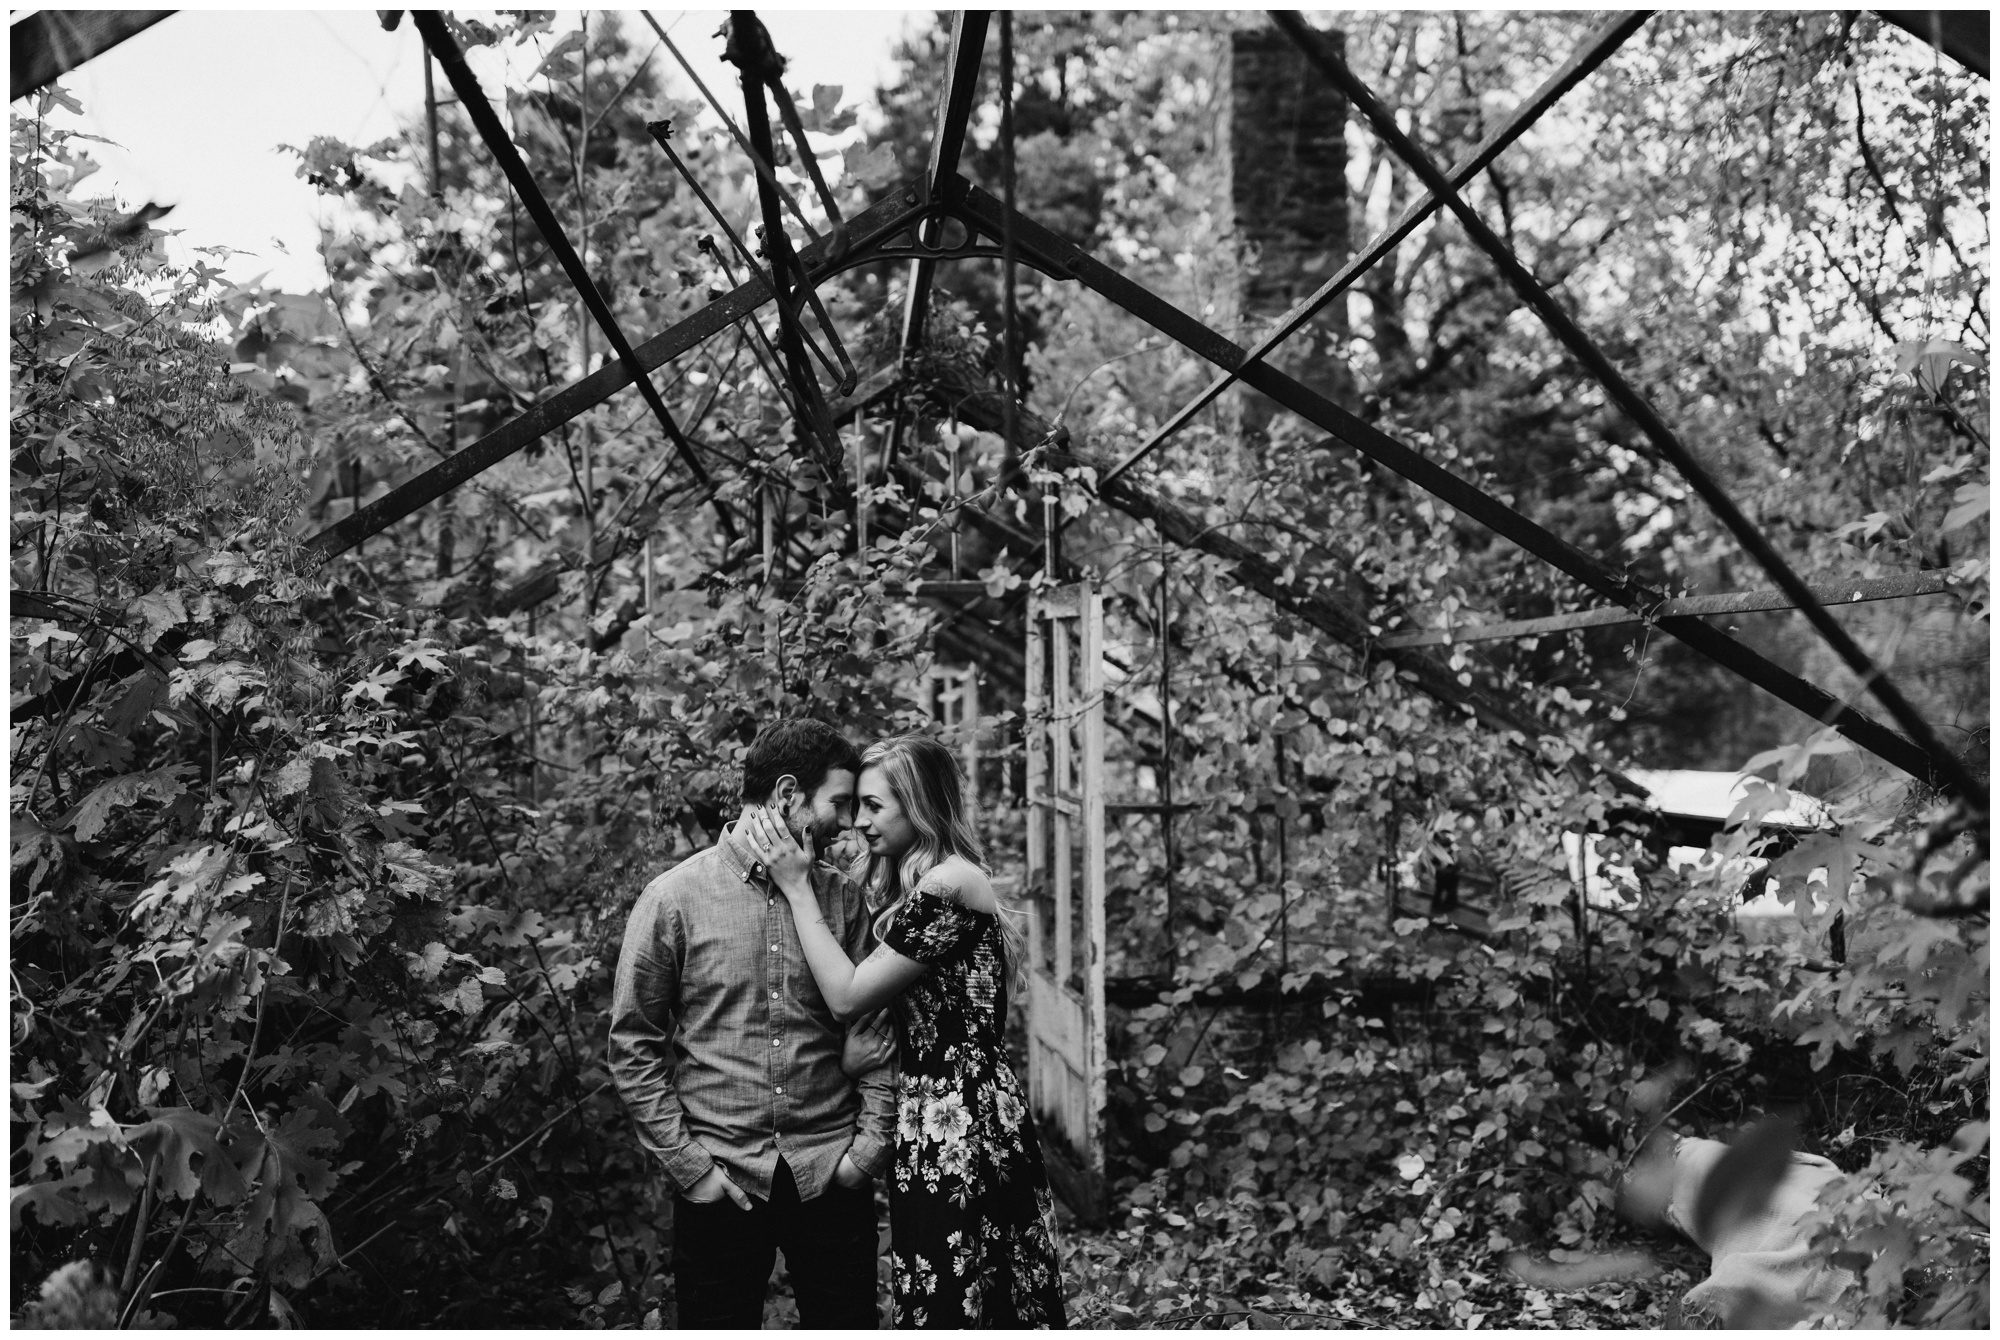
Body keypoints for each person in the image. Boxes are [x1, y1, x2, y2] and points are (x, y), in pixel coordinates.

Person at [740, 733, 1068, 1329]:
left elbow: (846, 996)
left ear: (918, 806)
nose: (859, 823)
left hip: (964, 1121)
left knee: (965, 1298)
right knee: (938, 1289)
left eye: (874, 806)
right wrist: (855, 1063)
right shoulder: (912, 885)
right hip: (927, 1115)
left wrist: (794, 886)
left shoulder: (950, 883)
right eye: (855, 804)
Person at [608, 719, 895, 1329]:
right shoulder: (672, 899)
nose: (846, 823)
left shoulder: (841, 900)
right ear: (787, 794)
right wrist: (692, 1168)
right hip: (722, 1175)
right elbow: (633, 1044)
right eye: (838, 803)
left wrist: (865, 1152)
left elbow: (878, 1036)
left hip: (831, 1170)